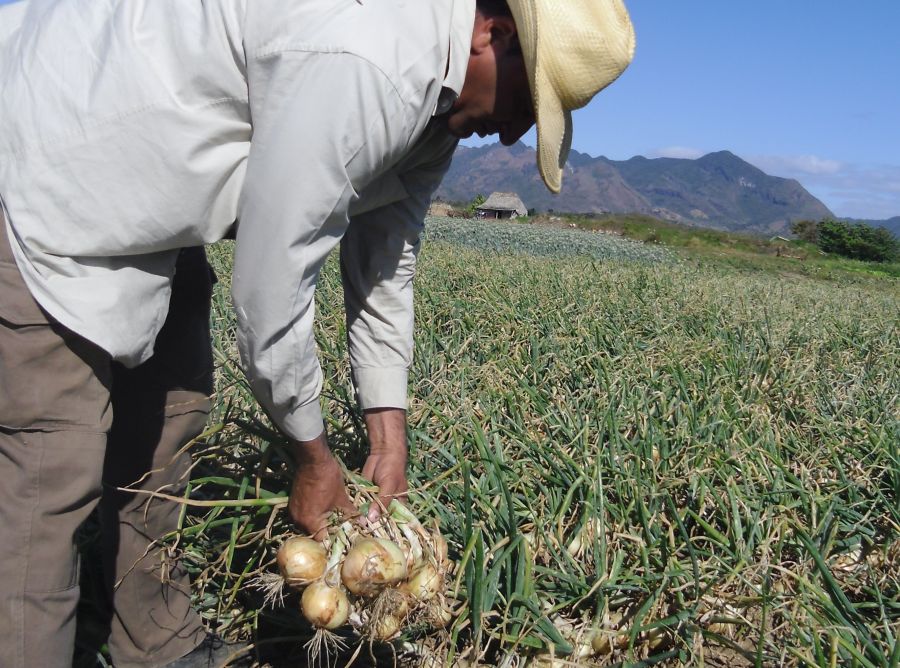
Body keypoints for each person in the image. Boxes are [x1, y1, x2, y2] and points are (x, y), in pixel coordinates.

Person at [0, 0, 635, 665]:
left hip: (152, 184)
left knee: (166, 425)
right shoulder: (367, 60)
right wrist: (312, 456)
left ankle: (155, 643)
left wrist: (388, 431)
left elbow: (387, 261)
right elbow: (272, 282)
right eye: (527, 106)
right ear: (492, 33)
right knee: (49, 475)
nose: (512, 136)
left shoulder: (437, 112)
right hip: (48, 152)